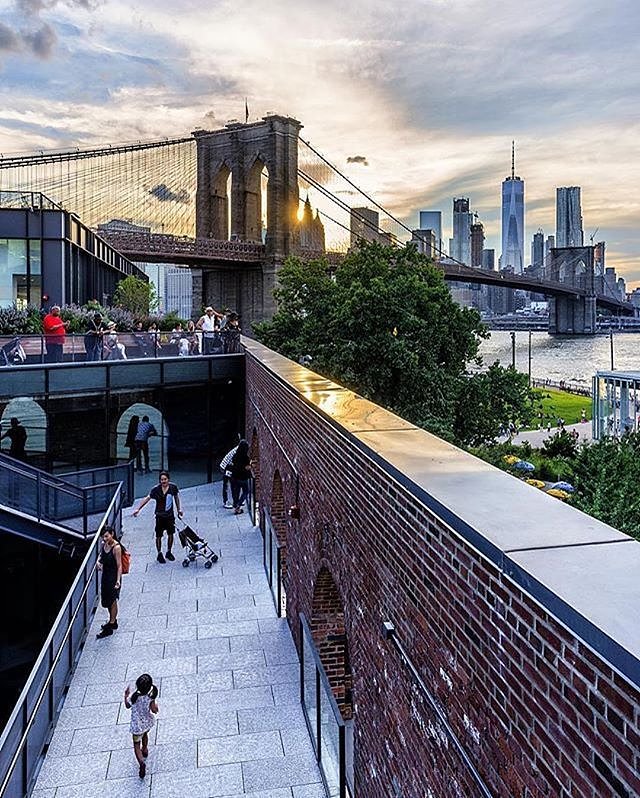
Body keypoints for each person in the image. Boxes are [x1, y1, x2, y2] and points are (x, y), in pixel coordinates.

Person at [132, 470, 183, 563]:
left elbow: (176, 497)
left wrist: (179, 509)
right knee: (158, 535)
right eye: (161, 480)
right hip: (159, 516)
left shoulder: (173, 487)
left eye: (165, 479)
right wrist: (138, 508)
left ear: (168, 479)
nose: (163, 481)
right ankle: (159, 553)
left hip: (169, 516)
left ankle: (168, 552)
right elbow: (147, 498)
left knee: (171, 534)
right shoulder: (156, 489)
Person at [124, 673, 159, 779]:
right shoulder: (150, 697)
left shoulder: (133, 698)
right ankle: (145, 749)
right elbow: (154, 709)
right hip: (146, 723)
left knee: (136, 746)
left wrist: (125, 696)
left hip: (136, 726)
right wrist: (156, 707)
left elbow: (127, 705)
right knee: (145, 735)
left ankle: (141, 763)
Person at [96, 525, 122, 639]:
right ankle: (112, 620)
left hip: (113, 576)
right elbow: (101, 556)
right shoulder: (104, 544)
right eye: (103, 537)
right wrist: (98, 562)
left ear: (112, 534)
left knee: (112, 600)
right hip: (106, 575)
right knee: (106, 599)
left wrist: (118, 580)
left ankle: (111, 624)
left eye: (106, 536)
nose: (105, 539)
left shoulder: (116, 548)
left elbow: (119, 565)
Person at [229, 439, 251, 515]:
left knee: (236, 492)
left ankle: (236, 506)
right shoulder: (246, 458)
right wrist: (250, 466)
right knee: (246, 491)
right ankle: (238, 505)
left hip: (234, 477)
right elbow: (247, 467)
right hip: (243, 478)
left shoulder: (235, 456)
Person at [219, 442, 239, 509]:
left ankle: (235, 501)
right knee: (227, 485)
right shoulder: (237, 452)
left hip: (229, 467)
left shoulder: (238, 450)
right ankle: (225, 501)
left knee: (233, 484)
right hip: (226, 467)